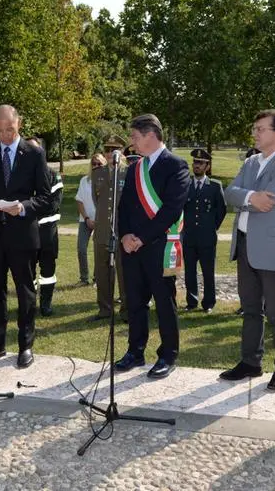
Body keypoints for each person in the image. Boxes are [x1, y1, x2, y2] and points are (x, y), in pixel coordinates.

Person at [221, 109, 275, 392]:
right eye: (255, 129)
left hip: (273, 247)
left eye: (261, 129)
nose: (255, 133)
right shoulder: (252, 161)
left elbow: (268, 200)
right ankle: (250, 362)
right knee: (251, 309)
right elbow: (229, 192)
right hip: (245, 245)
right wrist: (249, 197)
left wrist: (247, 197)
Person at [0, 105, 52, 369]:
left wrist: (24, 207)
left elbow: (46, 198)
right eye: (0, 130)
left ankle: (25, 345)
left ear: (19, 124)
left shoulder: (34, 154)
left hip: (22, 235)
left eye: (11, 129)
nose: (5, 135)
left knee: (25, 292)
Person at [114, 115, 190, 379]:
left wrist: (141, 238)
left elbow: (171, 209)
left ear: (150, 135)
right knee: (134, 302)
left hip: (158, 246)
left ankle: (168, 354)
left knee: (164, 303)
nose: (132, 144)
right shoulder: (135, 168)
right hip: (132, 248)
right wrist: (125, 235)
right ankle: (135, 351)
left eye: (134, 137)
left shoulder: (176, 165)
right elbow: (123, 207)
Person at [182, 149, 227, 313]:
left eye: (200, 163)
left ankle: (208, 303)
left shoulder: (215, 186)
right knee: (190, 272)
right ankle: (191, 301)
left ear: (207, 166)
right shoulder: (185, 185)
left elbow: (221, 211)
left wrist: (211, 227)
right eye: (195, 162)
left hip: (207, 238)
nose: (196, 166)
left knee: (208, 272)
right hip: (189, 237)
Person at [91, 137, 128, 321]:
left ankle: (127, 310)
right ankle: (105, 309)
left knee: (124, 271)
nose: (110, 152)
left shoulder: (128, 173)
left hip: (122, 231)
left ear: (121, 152)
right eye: (107, 149)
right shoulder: (97, 173)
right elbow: (96, 201)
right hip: (102, 230)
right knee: (102, 271)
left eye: (115, 149)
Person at [26, 137, 62, 317]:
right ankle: (29, 303)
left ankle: (45, 303)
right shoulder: (20, 175)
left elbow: (53, 204)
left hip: (47, 232)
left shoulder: (52, 175)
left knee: (48, 271)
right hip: (27, 232)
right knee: (27, 270)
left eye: (35, 149)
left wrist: (30, 207)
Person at [76, 153, 106, 286]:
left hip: (102, 221)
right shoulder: (84, 180)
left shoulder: (109, 181)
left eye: (99, 163)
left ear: (104, 164)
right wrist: (87, 218)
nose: (96, 166)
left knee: (98, 252)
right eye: (94, 163)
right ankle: (84, 278)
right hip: (85, 220)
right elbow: (79, 201)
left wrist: (99, 220)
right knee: (81, 249)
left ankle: (97, 279)